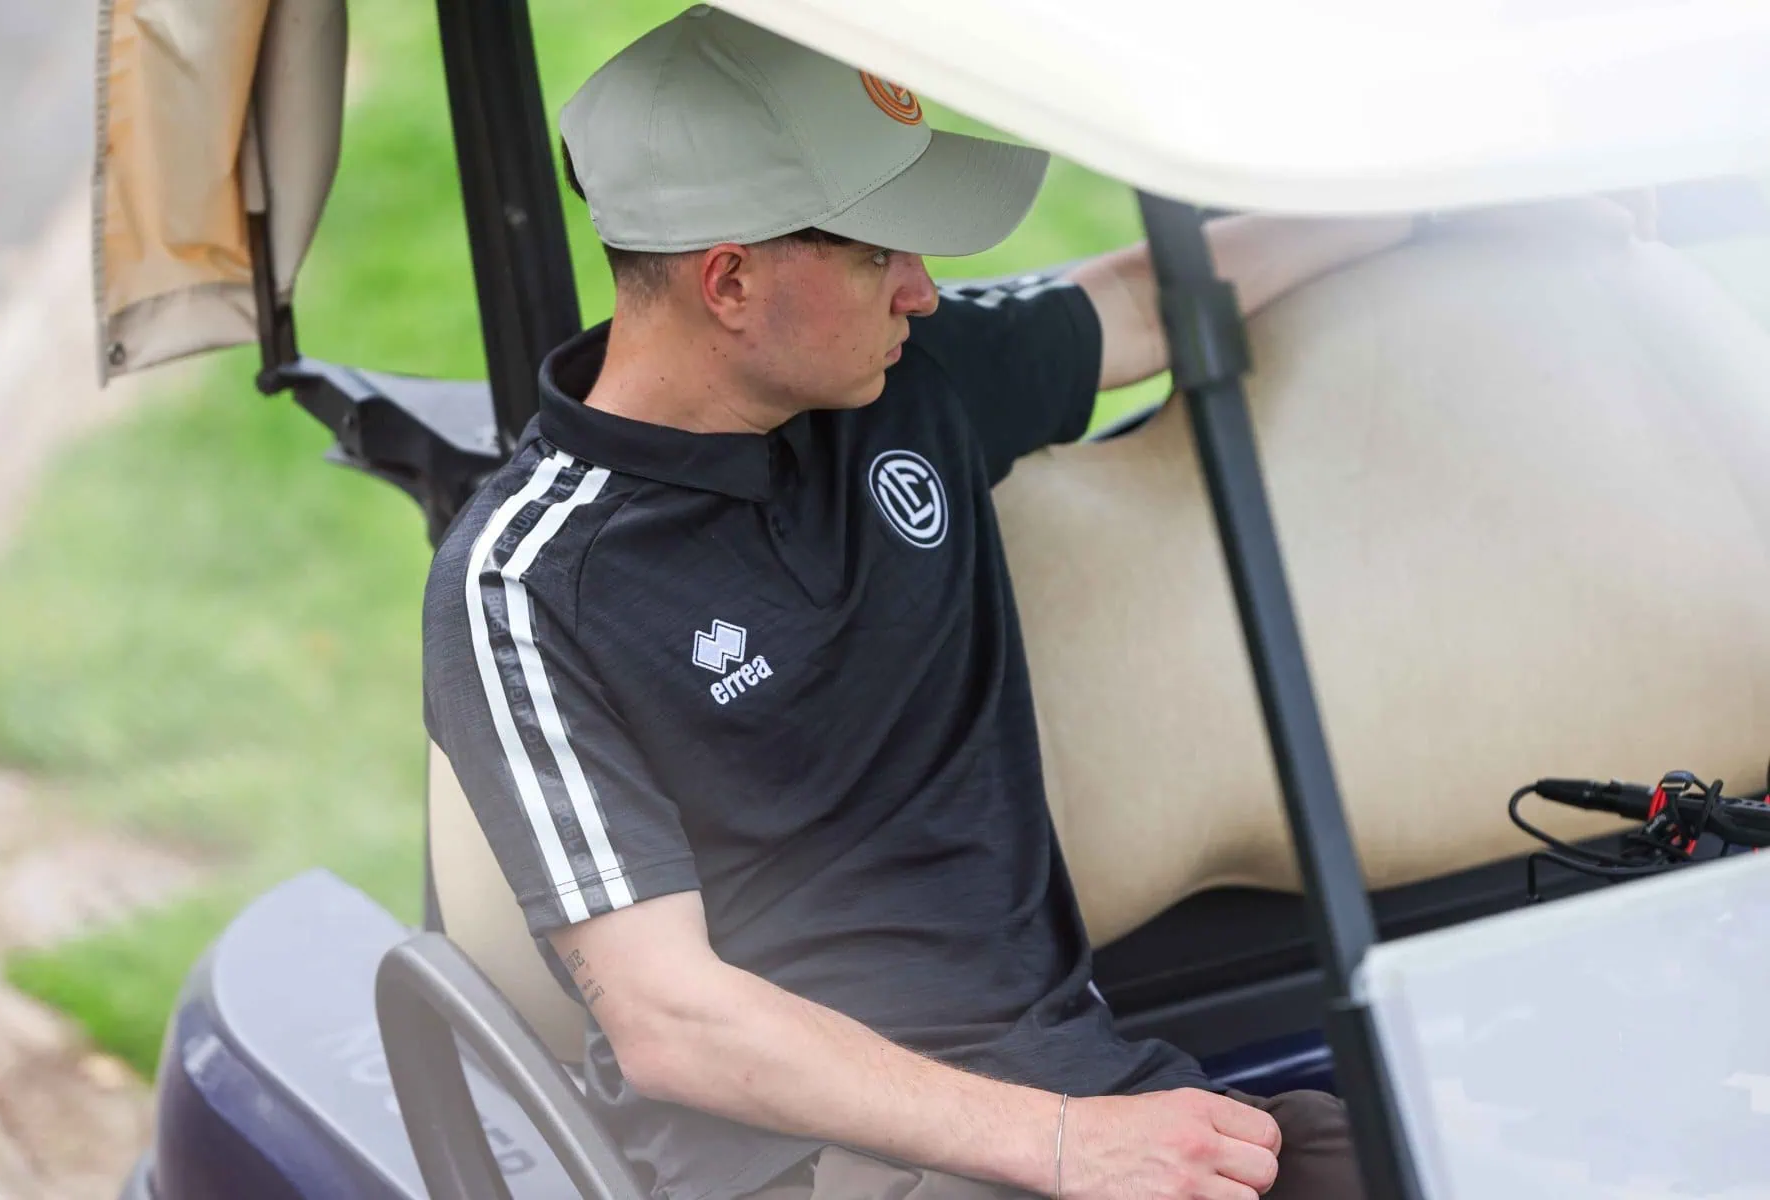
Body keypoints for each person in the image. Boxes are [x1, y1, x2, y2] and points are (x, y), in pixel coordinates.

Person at [421, 8, 1413, 1200]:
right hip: (804, 1164)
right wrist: (1061, 1145)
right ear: (730, 279)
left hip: (1085, 1096)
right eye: (880, 252)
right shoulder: (525, 581)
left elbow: (1144, 302)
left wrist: (1448, 203)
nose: (924, 292)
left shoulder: (906, 387)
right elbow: (669, 1019)